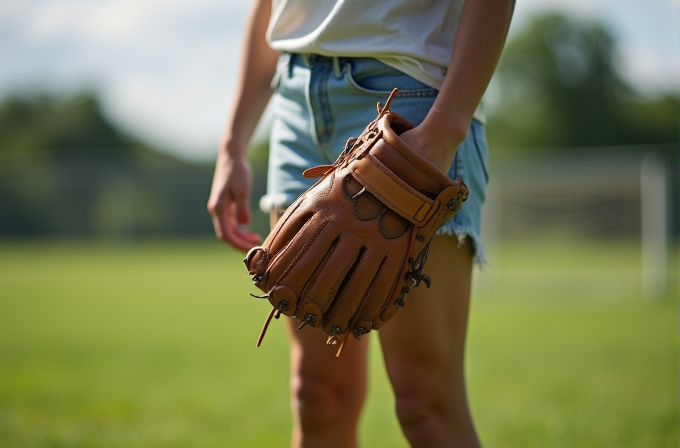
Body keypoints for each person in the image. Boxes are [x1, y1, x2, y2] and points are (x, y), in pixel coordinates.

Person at [208, 1, 514, 446]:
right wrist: (232, 144)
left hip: (411, 102)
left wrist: (444, 130)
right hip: (295, 99)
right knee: (317, 395)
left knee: (426, 404)